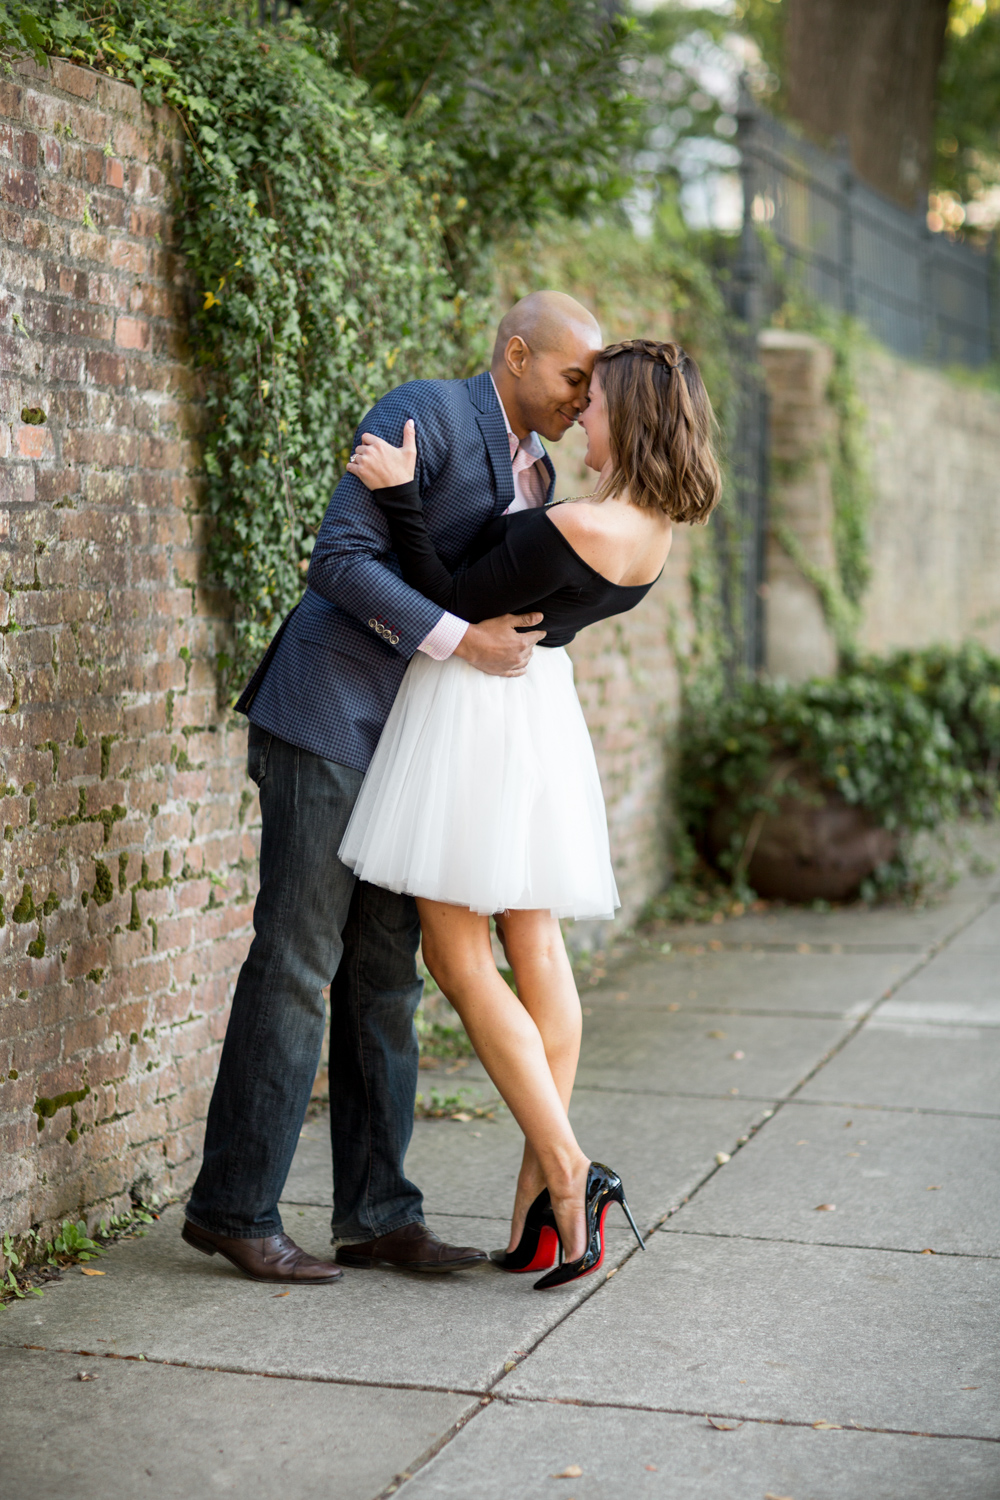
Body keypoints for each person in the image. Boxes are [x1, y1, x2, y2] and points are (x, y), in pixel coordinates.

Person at [182, 292, 604, 1283]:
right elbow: (339, 561)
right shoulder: (424, 410)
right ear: (516, 354)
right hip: (331, 714)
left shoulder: (538, 472)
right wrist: (463, 643)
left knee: (386, 974)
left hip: (417, 749)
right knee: (297, 957)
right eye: (572, 377)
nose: (583, 400)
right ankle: (234, 1208)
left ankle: (378, 1215)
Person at [341, 337, 722, 1287]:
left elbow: (452, 597)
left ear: (627, 419)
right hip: (539, 716)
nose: (579, 415)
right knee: (537, 946)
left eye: (594, 404)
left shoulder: (587, 522)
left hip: (475, 709)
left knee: (458, 956)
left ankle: (568, 1170)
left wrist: (397, 495)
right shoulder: (654, 533)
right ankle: (536, 1211)